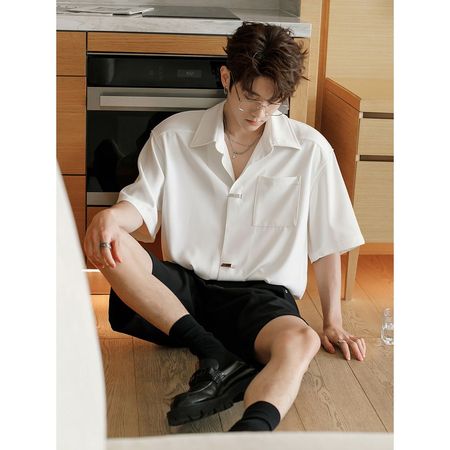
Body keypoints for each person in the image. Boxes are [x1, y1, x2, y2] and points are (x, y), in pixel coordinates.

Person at [84, 22, 366, 432]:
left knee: (301, 341)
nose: (259, 113)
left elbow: (327, 242)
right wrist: (111, 216)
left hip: (260, 302)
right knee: (112, 241)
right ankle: (212, 351)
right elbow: (140, 208)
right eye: (250, 97)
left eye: (273, 102)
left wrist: (333, 321)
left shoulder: (310, 150)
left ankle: (249, 435)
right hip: (182, 296)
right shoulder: (172, 136)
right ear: (226, 77)